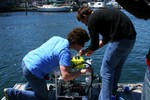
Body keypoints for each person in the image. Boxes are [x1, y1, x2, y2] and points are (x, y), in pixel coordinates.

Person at [3, 27, 91, 100]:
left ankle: (28, 90)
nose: (83, 46)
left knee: (33, 85)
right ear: (77, 42)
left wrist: (78, 58)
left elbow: (57, 56)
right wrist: (82, 72)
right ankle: (12, 93)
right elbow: (66, 76)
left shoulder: (57, 39)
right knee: (42, 98)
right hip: (33, 71)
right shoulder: (65, 52)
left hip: (26, 61)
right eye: (83, 44)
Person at [76, 7, 137, 100]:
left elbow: (94, 44)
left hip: (120, 39)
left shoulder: (92, 19)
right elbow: (106, 39)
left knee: (105, 70)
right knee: (116, 67)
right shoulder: (101, 13)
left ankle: (105, 98)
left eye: (83, 22)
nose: (85, 24)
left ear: (85, 17)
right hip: (130, 40)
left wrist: (85, 51)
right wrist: (91, 50)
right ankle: (111, 93)